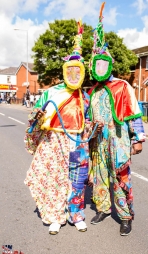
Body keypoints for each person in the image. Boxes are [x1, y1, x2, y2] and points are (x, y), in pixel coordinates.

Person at [24, 20, 95, 235]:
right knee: (54, 180)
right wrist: (35, 116)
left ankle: (76, 215)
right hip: (54, 141)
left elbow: (88, 121)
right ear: (65, 71)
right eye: (70, 70)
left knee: (77, 180)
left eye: (78, 71)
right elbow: (35, 115)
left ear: (82, 73)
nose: (74, 75)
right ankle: (56, 216)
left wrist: (92, 128)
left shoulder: (85, 97)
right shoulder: (51, 92)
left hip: (76, 142)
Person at [88, 2, 146, 236]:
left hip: (118, 138)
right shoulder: (92, 90)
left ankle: (124, 215)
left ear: (108, 64)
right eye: (96, 63)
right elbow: (87, 116)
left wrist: (138, 138)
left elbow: (134, 112)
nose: (99, 66)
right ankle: (102, 208)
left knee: (120, 175)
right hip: (98, 141)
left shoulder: (122, 86)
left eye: (103, 63)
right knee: (100, 174)